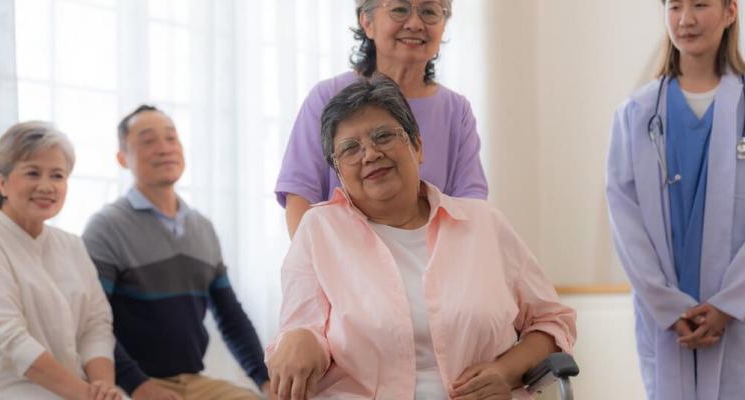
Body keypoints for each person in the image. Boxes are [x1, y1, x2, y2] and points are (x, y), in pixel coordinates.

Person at [266, 76, 575, 400]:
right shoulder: (319, 231)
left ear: (417, 146)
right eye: (350, 149)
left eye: (383, 136)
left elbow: (553, 322)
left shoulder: (484, 225)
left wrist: (504, 371)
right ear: (339, 173)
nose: (370, 154)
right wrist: (298, 339)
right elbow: (302, 330)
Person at [82, 105, 271, 400]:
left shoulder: (202, 228)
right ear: (122, 158)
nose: (164, 148)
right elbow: (91, 322)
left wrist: (265, 380)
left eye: (171, 138)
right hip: (128, 384)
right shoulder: (106, 227)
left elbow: (231, 317)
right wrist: (139, 386)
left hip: (192, 381)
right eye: (148, 140)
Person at [606, 1, 745, 398]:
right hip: (666, 322)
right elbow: (624, 218)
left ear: (730, 12)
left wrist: (730, 304)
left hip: (739, 318)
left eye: (700, 4)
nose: (685, 19)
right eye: (675, 6)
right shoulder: (635, 114)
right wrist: (668, 306)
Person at [276, 0, 489, 237]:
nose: (416, 24)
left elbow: (471, 206)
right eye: (400, 9)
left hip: (432, 266)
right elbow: (300, 196)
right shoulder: (327, 97)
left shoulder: (456, 110)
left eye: (430, 11)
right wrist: (316, 267)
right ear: (367, 22)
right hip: (342, 265)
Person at [0, 121, 119, 399]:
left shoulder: (71, 246)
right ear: (1, 181)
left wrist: (104, 389)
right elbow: (10, 342)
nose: (47, 186)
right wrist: (87, 395)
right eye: (33, 173)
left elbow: (95, 325)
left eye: (58, 175)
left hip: (70, 390)